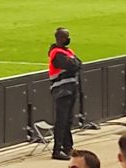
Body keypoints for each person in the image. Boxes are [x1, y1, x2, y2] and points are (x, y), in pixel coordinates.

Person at [48, 27, 82, 161]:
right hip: (62, 90)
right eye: (66, 36)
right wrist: (74, 63)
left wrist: (74, 62)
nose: (68, 39)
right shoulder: (56, 53)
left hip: (70, 89)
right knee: (61, 121)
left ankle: (68, 147)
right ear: (60, 38)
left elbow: (79, 63)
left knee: (68, 120)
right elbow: (73, 65)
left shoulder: (66, 51)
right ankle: (57, 150)